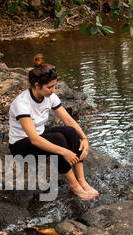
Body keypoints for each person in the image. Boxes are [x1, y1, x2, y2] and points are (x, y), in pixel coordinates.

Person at [9, 54, 99, 200]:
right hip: (21, 145)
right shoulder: (22, 104)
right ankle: (74, 185)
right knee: (58, 139)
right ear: (37, 85)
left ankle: (82, 180)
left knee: (70, 132)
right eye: (50, 87)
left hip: (40, 135)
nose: (54, 90)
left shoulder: (49, 96)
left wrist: (84, 138)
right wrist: (65, 152)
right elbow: (34, 140)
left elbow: (68, 120)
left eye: (54, 86)